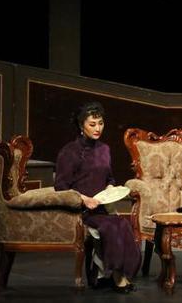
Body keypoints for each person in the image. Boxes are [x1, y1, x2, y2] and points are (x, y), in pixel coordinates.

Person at [54, 102, 141, 293]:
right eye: (92, 124)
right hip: (82, 208)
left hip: (103, 206)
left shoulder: (104, 149)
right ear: (81, 126)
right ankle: (117, 277)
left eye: (100, 123)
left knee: (123, 224)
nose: (98, 128)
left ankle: (115, 274)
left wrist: (111, 189)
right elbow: (61, 187)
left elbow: (109, 178)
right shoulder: (69, 151)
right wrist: (85, 199)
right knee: (111, 226)